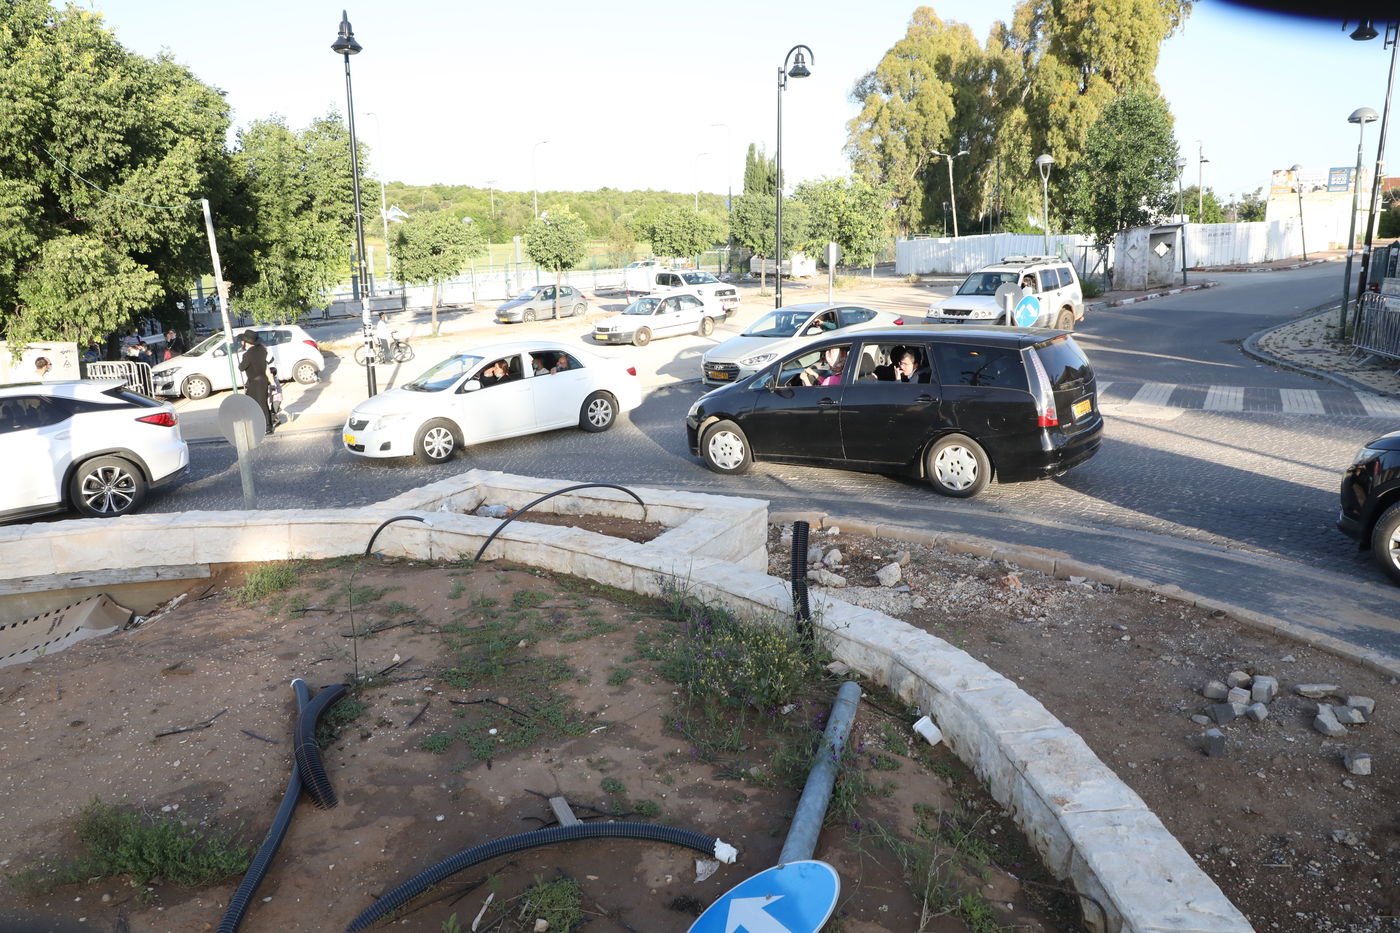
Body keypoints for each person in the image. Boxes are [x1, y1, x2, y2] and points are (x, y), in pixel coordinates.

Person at [238, 331, 274, 435]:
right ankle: (264, 424)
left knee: (257, 404)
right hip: (262, 380)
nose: (241, 343)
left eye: (242, 341)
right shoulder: (262, 350)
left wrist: (241, 362)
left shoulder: (247, 354)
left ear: (247, 343)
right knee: (261, 403)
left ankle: (267, 426)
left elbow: (242, 367)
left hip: (254, 382)